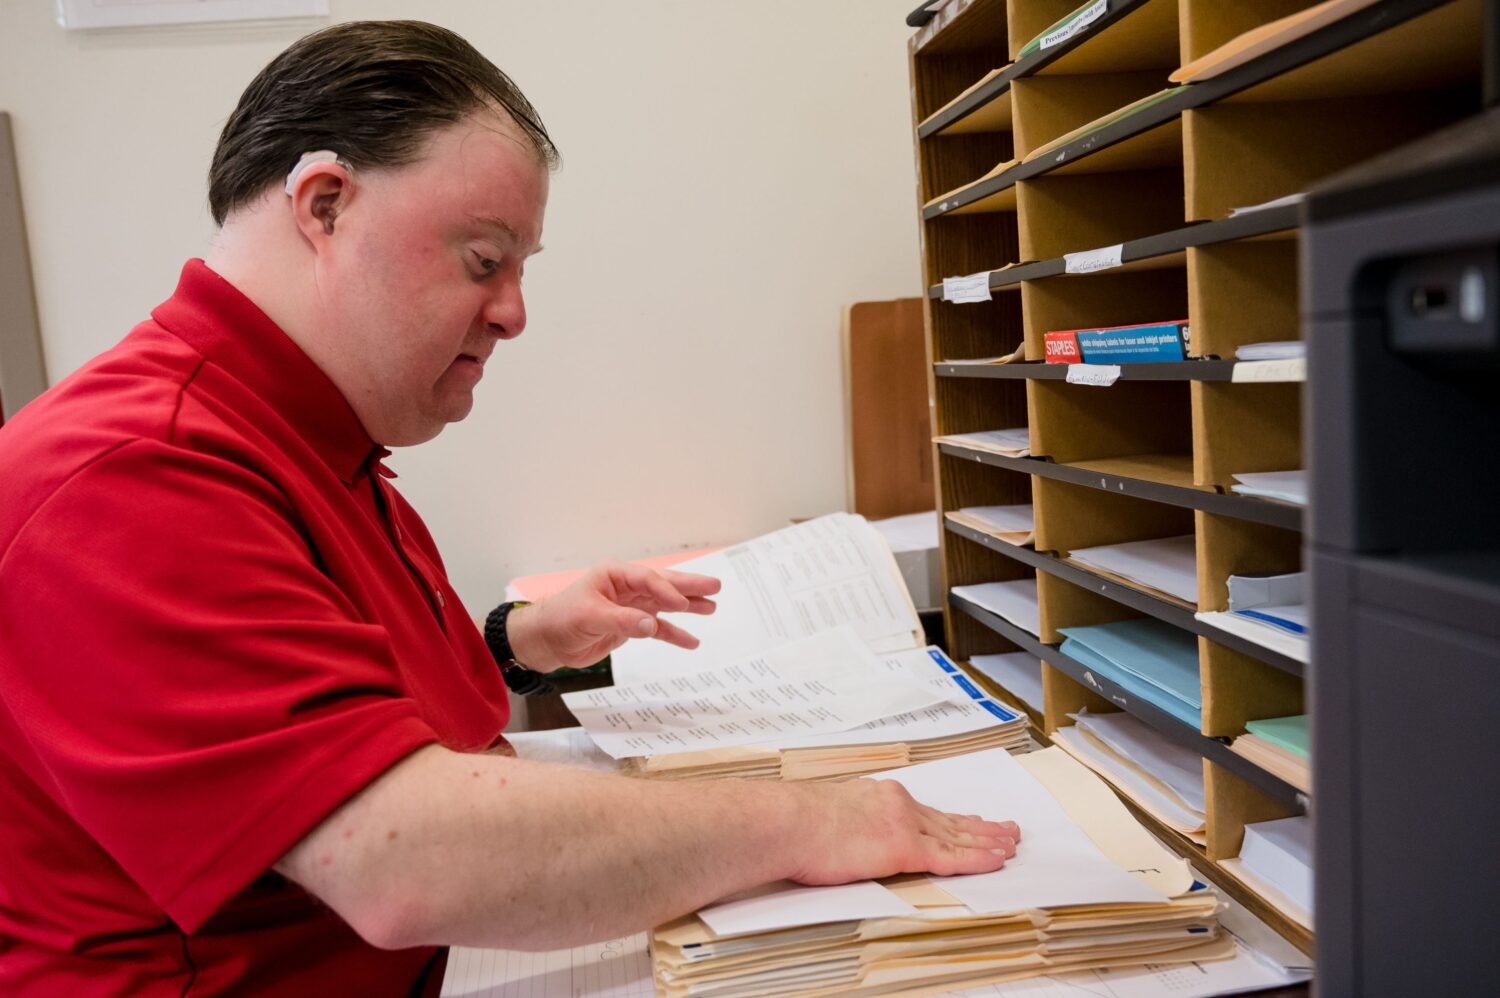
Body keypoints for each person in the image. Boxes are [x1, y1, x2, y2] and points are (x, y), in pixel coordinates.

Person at [0, 20, 1019, 995]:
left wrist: (521, 639)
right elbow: (402, 860)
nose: (513, 313)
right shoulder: (129, 474)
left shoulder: (301, 434)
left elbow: (316, 698)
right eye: (484, 260)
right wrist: (811, 822)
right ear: (323, 204)